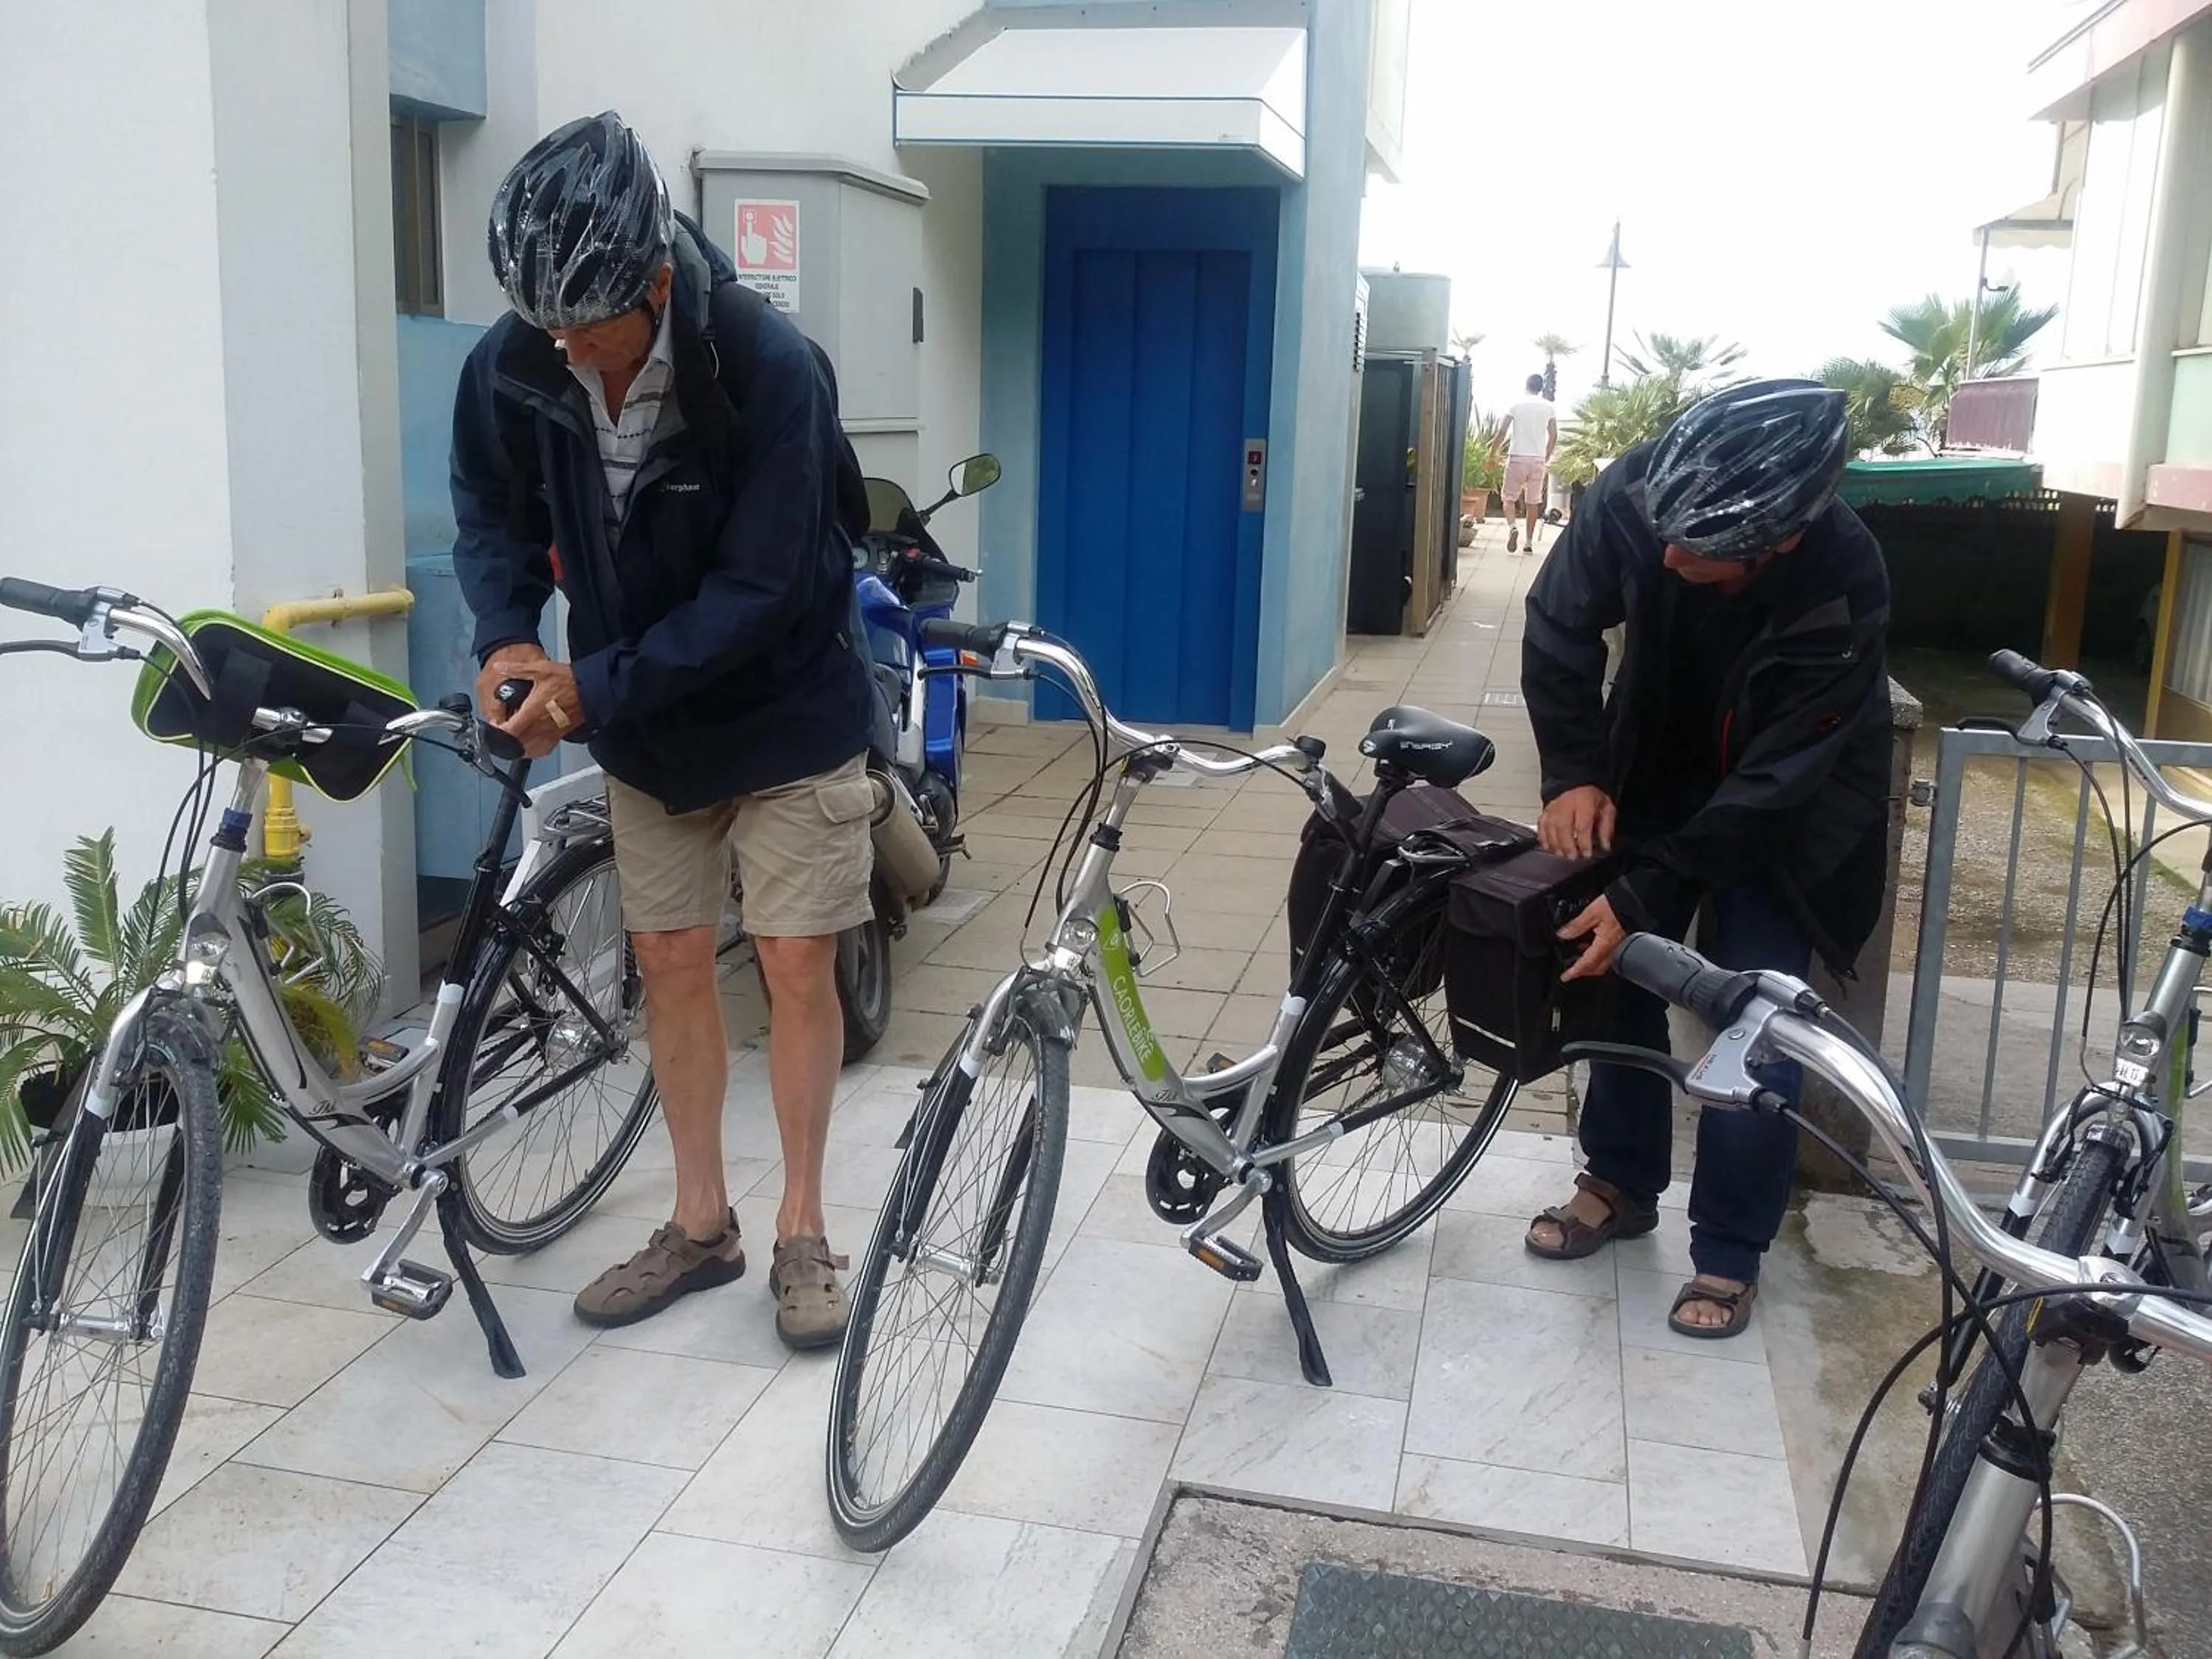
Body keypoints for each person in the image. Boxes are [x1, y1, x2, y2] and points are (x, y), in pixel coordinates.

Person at [450, 111, 875, 1349]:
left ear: (656, 278)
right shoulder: (523, 353)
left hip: (787, 710)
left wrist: (591, 686)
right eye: (547, 324)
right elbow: (488, 508)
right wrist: (506, 641)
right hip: (648, 722)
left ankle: (800, 1229)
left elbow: (763, 593)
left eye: (592, 320)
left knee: (795, 962)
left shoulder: (766, 366)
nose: (569, 345)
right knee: (673, 960)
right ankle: (702, 1226)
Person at [1517, 379, 1889, 1340]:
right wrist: (1573, 770)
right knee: (1614, 975)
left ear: (1784, 540)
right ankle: (1620, 1179)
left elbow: (1773, 786)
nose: (1670, 556)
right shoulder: (1640, 494)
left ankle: (1728, 1248)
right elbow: (1558, 623)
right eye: (1665, 532)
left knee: (1754, 1016)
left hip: (1787, 813)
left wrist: (1649, 891)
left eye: (1703, 549)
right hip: (1652, 763)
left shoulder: (1843, 580)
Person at [1500, 373, 1556, 554]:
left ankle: (1512, 527)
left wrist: (1493, 453)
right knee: (1533, 502)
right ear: (1541, 388)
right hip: (1537, 459)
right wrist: (1545, 456)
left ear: (1526, 385)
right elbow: (1554, 435)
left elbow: (1502, 430)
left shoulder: (1516, 404)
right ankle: (1529, 543)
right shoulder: (1549, 407)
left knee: (1508, 498)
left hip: (1517, 457)